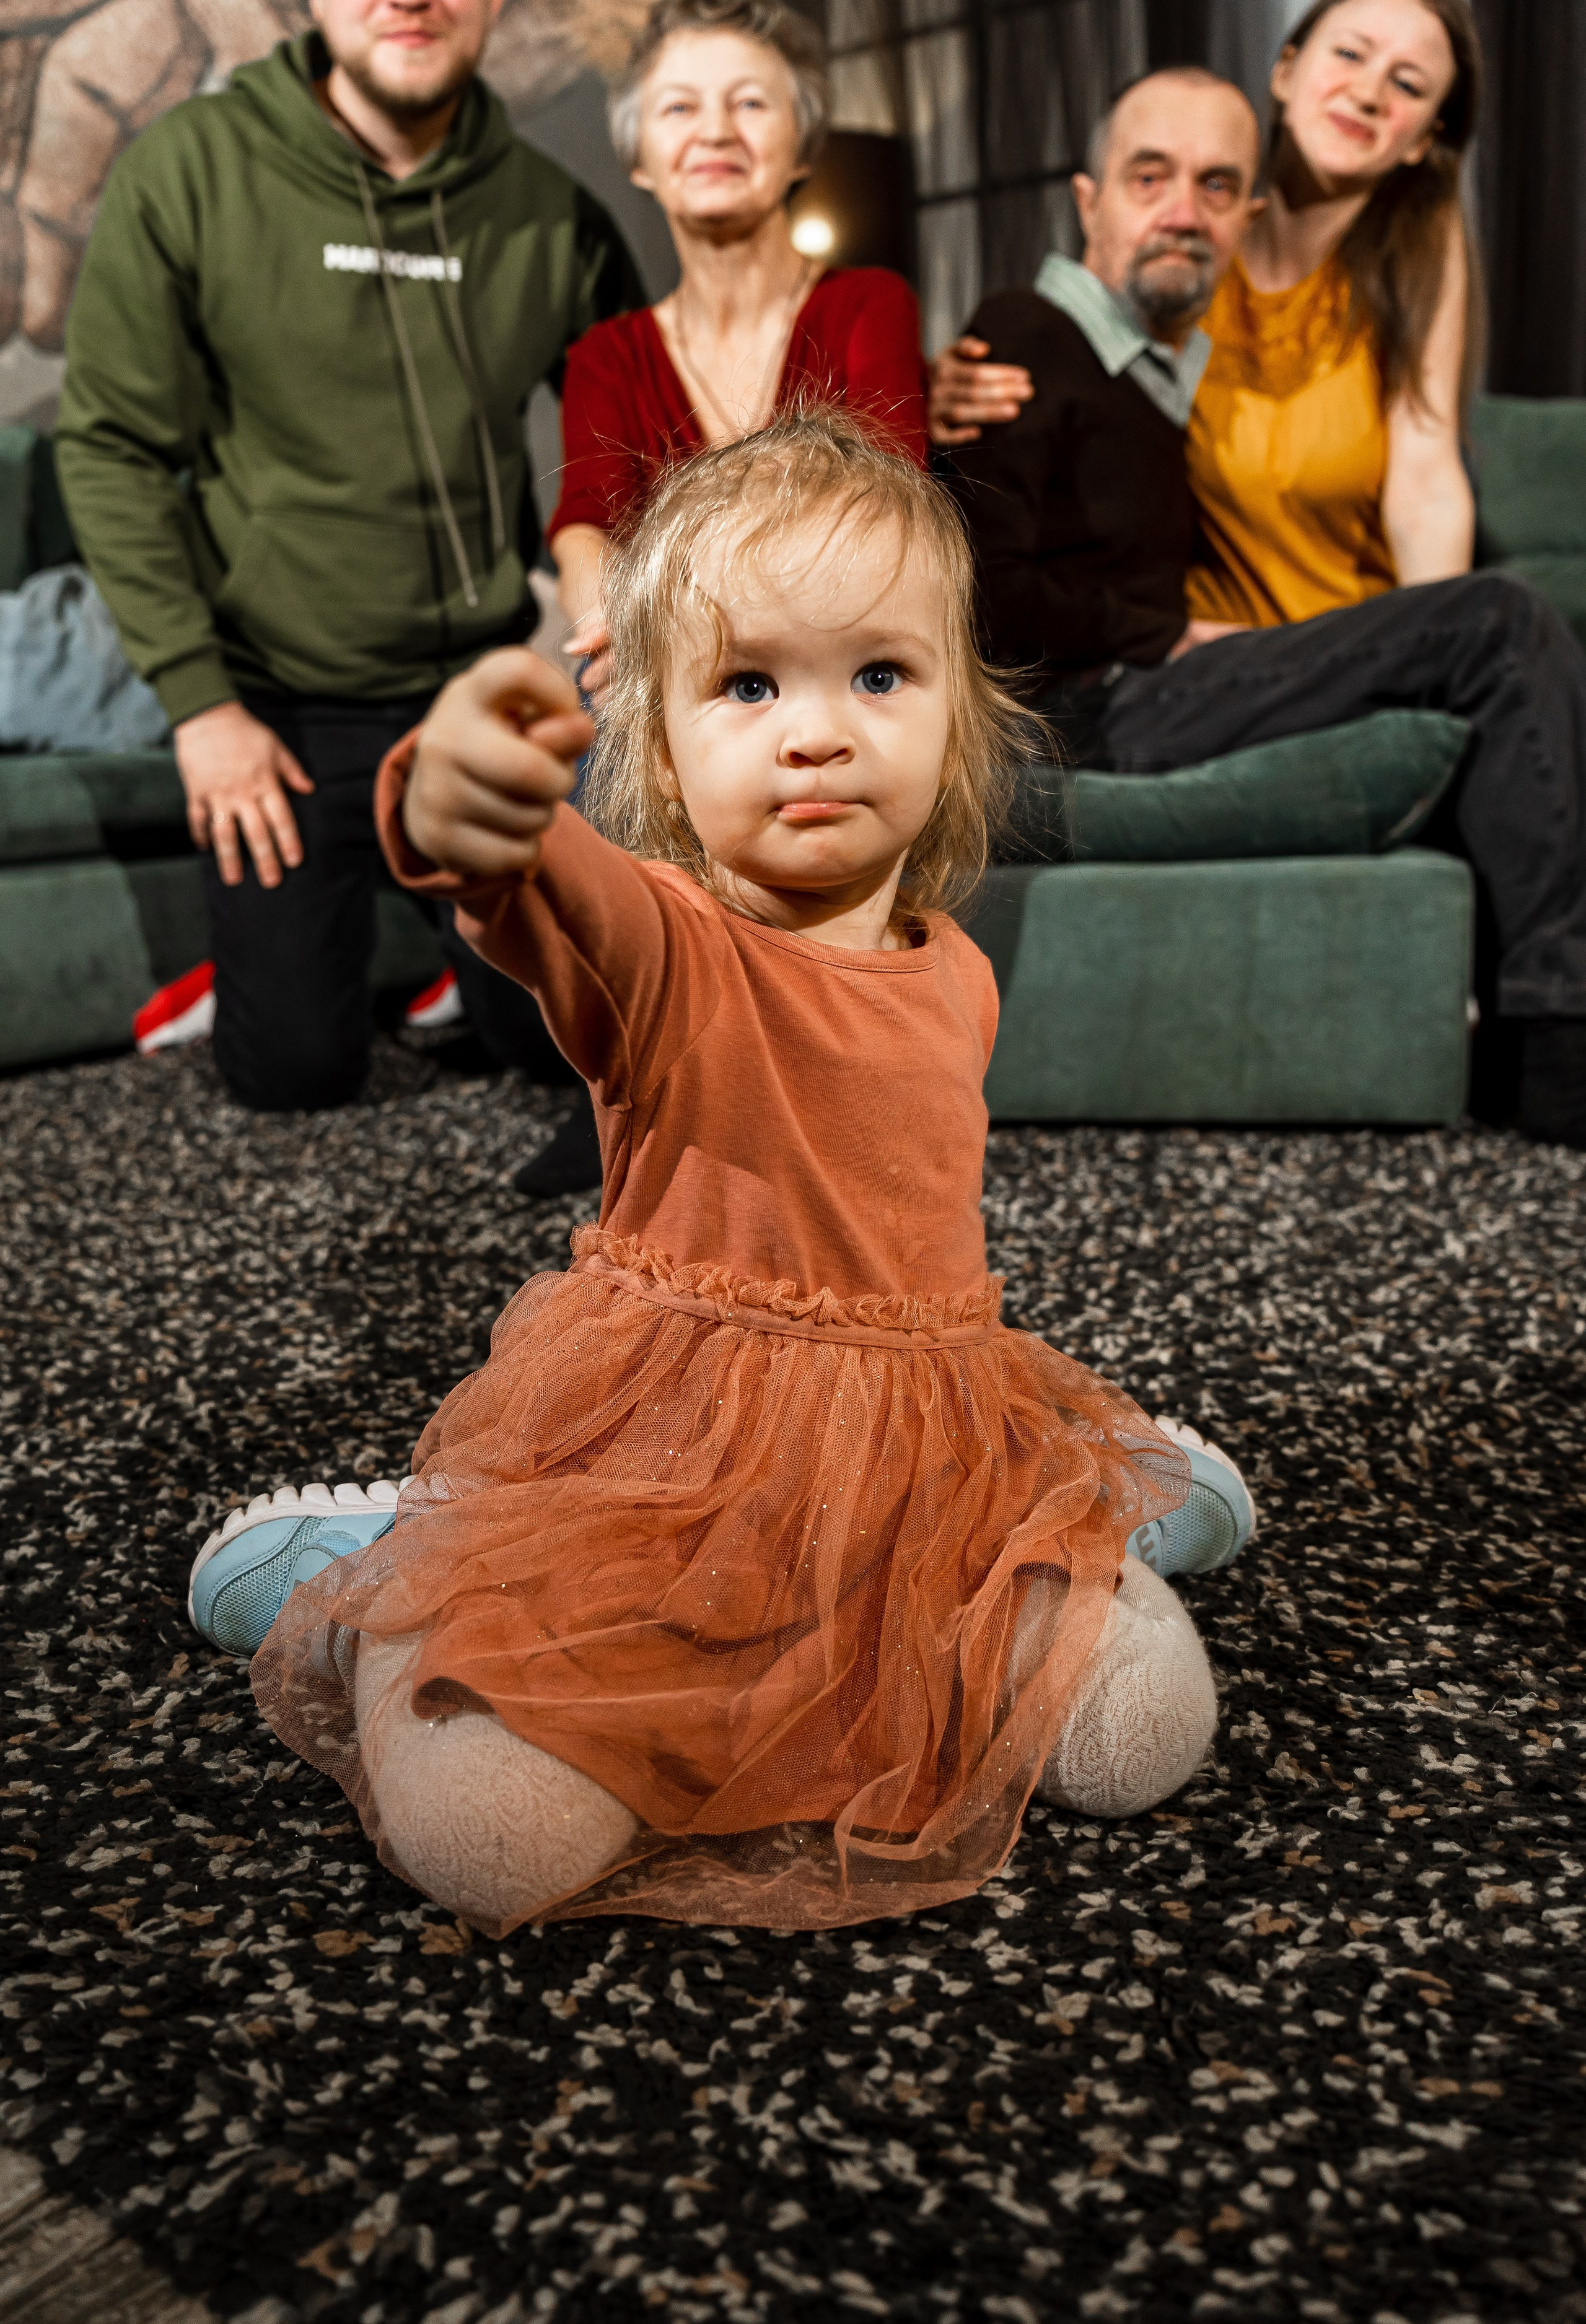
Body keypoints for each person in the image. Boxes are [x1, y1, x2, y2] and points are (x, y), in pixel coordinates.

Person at [186, 411, 1256, 1934]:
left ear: (958, 708)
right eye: (747, 683)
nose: (814, 731)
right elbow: (528, 884)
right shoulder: (666, 943)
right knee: (499, 1846)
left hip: (920, 1462)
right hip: (664, 1471)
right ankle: (400, 1586)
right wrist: (460, 803)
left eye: (876, 675)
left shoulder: (955, 966)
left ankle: (1086, 1497)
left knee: (1144, 1740)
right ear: (665, 747)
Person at [945, 22, 1586, 1152]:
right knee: (1501, 619)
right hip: (1126, 691)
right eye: (1152, 180)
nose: (1183, 208)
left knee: (1498, 622)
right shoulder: (1068, 323)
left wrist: (1397, 655)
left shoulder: (1175, 345)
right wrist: (934, 386)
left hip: (1224, 662)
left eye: (1210, 188)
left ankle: (1548, 1023)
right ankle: (1561, 1036)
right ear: (1090, 201)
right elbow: (989, 579)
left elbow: (1427, 467)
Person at [55, 0, 644, 1180]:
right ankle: (324, 948)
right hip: (278, 701)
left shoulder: (552, 214)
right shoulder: (189, 171)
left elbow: (641, 420)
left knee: (552, 1051)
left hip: (473, 703)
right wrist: (201, 708)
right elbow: (111, 446)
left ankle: (444, 952)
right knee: (295, 1075)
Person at [523, 0, 931, 1198]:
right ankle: (640, 1091)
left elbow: (876, 506)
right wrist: (626, 637)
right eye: (681, 108)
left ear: (800, 144)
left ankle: (781, 1086)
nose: (716, 130)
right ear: (641, 156)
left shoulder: (866, 305)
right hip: (670, 673)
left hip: (836, 658)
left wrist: (706, 633)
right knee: (625, 715)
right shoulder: (607, 352)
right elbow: (589, 530)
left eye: (751, 103)